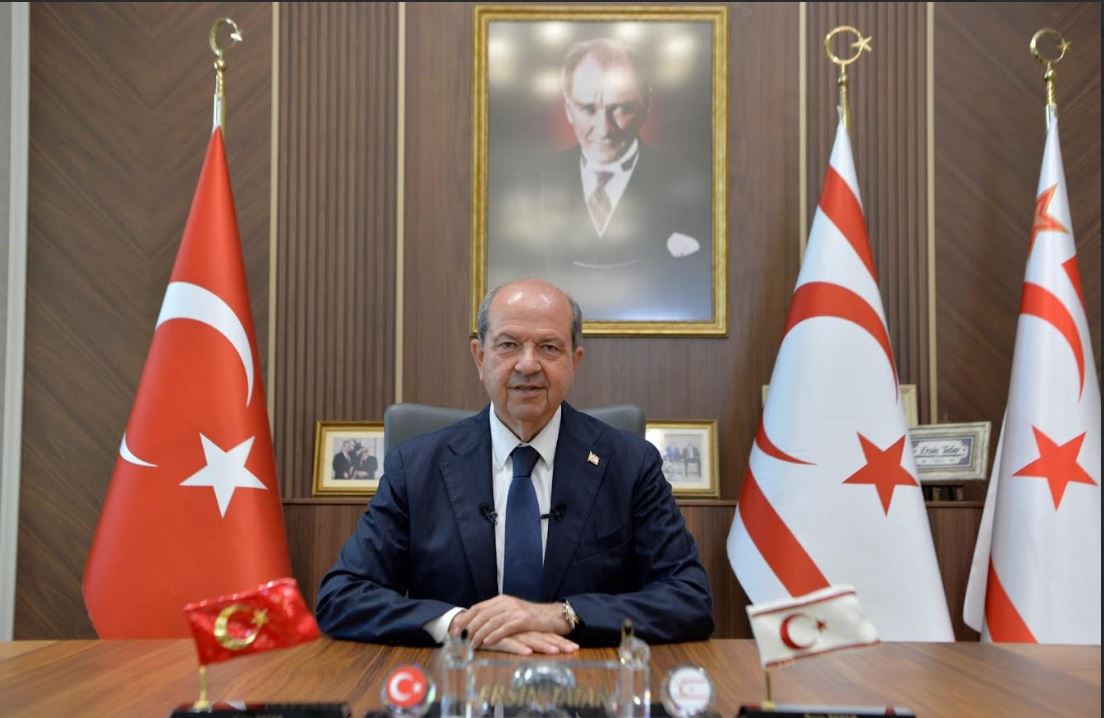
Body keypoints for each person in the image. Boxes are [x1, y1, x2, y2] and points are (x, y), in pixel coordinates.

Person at [316, 279, 713, 654]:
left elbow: (689, 598)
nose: (528, 364)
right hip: (457, 680)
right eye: (508, 345)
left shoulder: (630, 464)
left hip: (587, 677)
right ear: (480, 357)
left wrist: (562, 615)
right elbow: (342, 597)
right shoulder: (416, 466)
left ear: (574, 362)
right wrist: (460, 625)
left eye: (549, 348)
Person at [488, 38, 712, 323]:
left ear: (647, 103)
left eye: (621, 108)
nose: (604, 129)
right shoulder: (530, 183)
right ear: (568, 108)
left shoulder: (691, 190)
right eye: (587, 108)